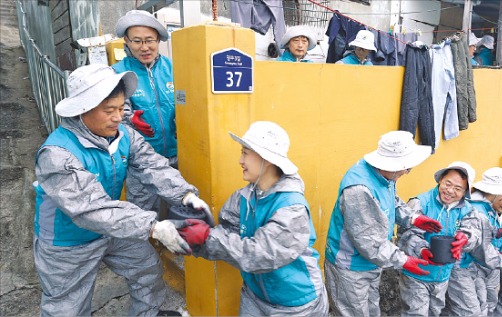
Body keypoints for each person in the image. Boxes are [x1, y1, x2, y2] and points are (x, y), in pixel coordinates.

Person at [33, 64, 210, 316]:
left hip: (113, 228)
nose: (118, 117)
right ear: (82, 110)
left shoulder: (123, 135)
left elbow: (152, 166)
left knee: (146, 269)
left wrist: (185, 194)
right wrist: (155, 227)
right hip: (67, 241)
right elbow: (91, 210)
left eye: (120, 108)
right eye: (109, 111)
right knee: (67, 305)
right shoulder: (58, 155)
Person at [184, 121, 329, 315]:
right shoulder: (243, 197)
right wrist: (189, 240)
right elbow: (227, 234)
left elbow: (260, 254)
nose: (240, 161)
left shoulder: (292, 208)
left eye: (245, 152)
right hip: (255, 296)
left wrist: (205, 237)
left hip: (295, 304)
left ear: (266, 158)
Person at [323, 131, 440, 317]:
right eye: (406, 167)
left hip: (371, 264)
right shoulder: (359, 191)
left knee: (372, 310)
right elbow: (370, 243)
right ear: (391, 164)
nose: (407, 171)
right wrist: (404, 260)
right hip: (350, 268)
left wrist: (412, 218)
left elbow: (391, 201)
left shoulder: (385, 176)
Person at [112, 10, 178, 213]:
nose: (144, 47)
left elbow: (188, 101)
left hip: (178, 156)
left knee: (178, 206)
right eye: (137, 41)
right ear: (127, 41)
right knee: (143, 211)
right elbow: (115, 112)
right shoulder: (117, 72)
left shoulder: (174, 67)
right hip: (141, 161)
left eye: (150, 40)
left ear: (158, 40)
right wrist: (131, 119)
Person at [398, 161, 482, 316]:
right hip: (417, 274)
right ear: (440, 180)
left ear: (465, 192)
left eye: (458, 189)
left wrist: (466, 239)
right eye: (447, 184)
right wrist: (421, 249)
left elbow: (474, 232)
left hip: (443, 275)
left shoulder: (468, 210)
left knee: (434, 312)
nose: (450, 191)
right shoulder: (420, 202)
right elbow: (406, 234)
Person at [459, 167, 502, 316]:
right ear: (493, 194)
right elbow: (481, 248)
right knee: (477, 305)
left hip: (493, 264)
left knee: (491, 300)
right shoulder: (477, 210)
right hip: (475, 264)